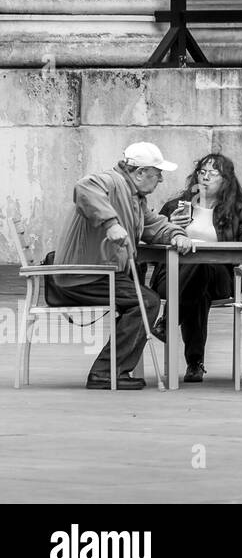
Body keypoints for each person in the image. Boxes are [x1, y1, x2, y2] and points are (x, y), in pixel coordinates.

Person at [48, 142, 195, 390]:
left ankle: (110, 370)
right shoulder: (111, 181)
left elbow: (155, 225)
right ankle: (107, 372)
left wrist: (176, 234)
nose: (160, 180)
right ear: (139, 173)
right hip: (83, 275)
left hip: (98, 274)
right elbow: (85, 187)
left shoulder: (135, 198)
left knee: (144, 300)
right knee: (145, 301)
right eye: (157, 173)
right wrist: (111, 224)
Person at [155, 153, 242, 383]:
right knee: (198, 292)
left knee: (202, 262)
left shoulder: (238, 210)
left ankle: (169, 322)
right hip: (172, 278)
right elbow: (150, 240)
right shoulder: (175, 207)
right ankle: (195, 363)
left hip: (221, 280)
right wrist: (169, 227)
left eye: (213, 172)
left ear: (226, 180)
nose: (205, 176)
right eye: (202, 171)